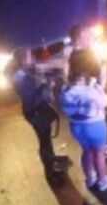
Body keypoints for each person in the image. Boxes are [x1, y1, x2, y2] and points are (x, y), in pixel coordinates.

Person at [11, 50, 69, 184]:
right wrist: (47, 87)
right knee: (44, 143)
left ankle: (53, 159)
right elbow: (33, 97)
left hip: (34, 111)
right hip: (36, 112)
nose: (33, 57)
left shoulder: (22, 73)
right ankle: (51, 174)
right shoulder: (25, 77)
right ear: (23, 59)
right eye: (30, 55)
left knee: (46, 140)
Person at [59, 60, 107, 192]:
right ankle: (103, 181)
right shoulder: (90, 91)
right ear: (85, 79)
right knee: (99, 153)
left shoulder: (65, 90)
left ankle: (90, 179)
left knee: (87, 151)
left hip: (76, 127)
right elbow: (104, 102)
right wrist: (97, 87)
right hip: (95, 126)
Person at [69, 25, 107, 158]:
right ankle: (106, 147)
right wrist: (103, 65)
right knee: (104, 118)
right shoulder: (83, 54)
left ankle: (99, 149)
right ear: (80, 36)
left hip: (88, 96)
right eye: (88, 34)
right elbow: (98, 75)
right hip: (94, 93)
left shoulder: (76, 53)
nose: (91, 36)